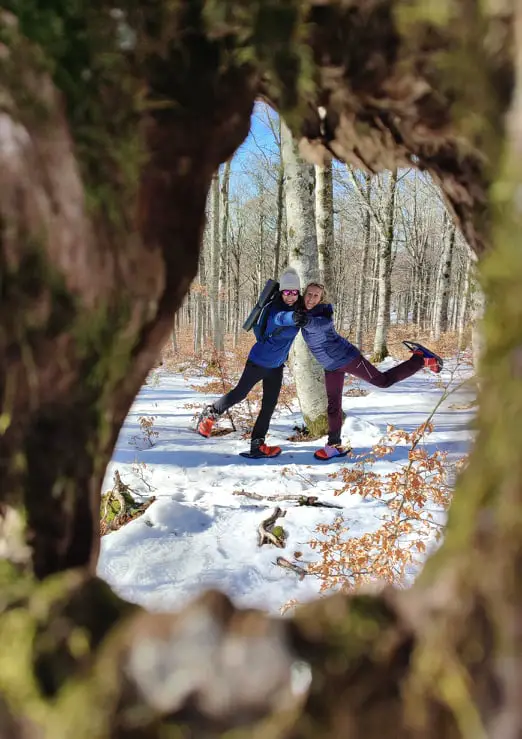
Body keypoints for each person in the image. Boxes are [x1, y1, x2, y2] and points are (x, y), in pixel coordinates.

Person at [296, 282, 443, 460]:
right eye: (309, 294)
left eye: (316, 296)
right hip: (330, 366)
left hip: (347, 358)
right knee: (334, 405)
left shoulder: (323, 314)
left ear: (321, 299)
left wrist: (306, 320)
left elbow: (319, 325)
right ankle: (334, 445)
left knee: (383, 381)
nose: (311, 298)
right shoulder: (302, 311)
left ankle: (420, 359)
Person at [196, 268, 304, 458]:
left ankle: (257, 444)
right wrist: (293, 318)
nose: (290, 296)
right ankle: (211, 413)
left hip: (276, 366)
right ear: (281, 292)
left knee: (269, 405)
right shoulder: (274, 308)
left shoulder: (300, 308)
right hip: (258, 362)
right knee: (240, 393)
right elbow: (279, 319)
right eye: (287, 292)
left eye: (294, 292)